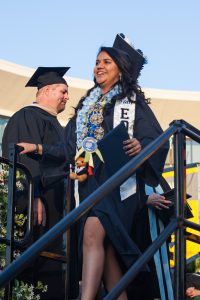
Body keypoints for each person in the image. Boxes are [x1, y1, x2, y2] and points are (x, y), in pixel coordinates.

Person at [65, 33, 169, 300]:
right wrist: (44, 151)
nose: (99, 66)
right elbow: (69, 143)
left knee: (92, 232)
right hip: (89, 184)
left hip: (118, 185)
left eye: (107, 62)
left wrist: (141, 147)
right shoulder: (88, 104)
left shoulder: (131, 102)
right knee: (107, 256)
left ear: (120, 70)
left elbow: (155, 138)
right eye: (97, 61)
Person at [2, 67, 70, 300]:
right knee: (35, 259)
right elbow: (23, 160)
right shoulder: (27, 116)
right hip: (39, 202)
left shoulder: (58, 126)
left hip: (57, 204)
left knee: (53, 261)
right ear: (47, 90)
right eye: (63, 91)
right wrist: (34, 196)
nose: (67, 97)